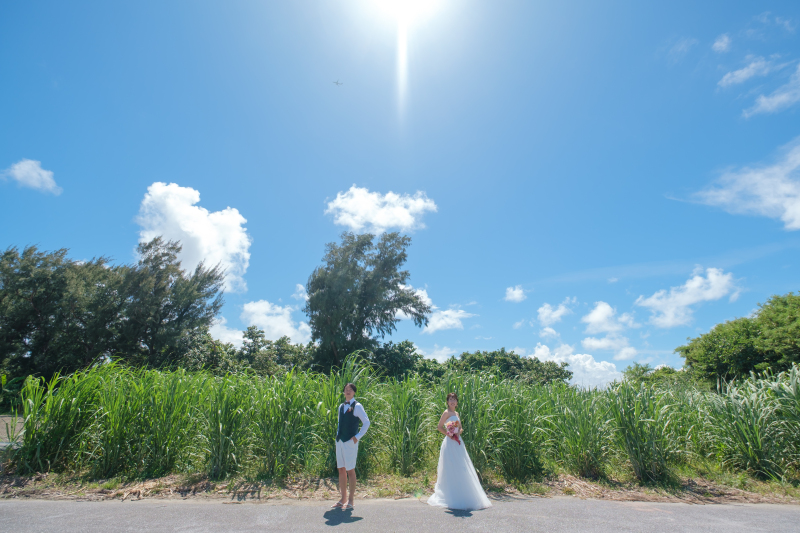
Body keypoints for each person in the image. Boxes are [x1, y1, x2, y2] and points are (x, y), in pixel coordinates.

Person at [427, 392, 491, 510]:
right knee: (450, 466)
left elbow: (460, 427)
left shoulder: (456, 413)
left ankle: (463, 493)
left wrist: (458, 431)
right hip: (449, 442)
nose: (452, 401)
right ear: (447, 402)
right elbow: (439, 427)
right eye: (450, 399)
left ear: (456, 402)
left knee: (461, 465)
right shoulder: (446, 413)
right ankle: (450, 494)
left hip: (458, 442)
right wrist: (449, 433)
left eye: (454, 399)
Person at [331, 382, 370, 511]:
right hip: (340, 441)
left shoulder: (357, 406)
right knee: (341, 469)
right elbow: (339, 423)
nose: (347, 391)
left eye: (350, 389)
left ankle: (351, 501)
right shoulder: (341, 406)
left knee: (350, 470)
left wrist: (357, 437)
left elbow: (366, 422)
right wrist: (337, 437)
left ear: (354, 392)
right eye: (346, 389)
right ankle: (343, 499)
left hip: (350, 442)